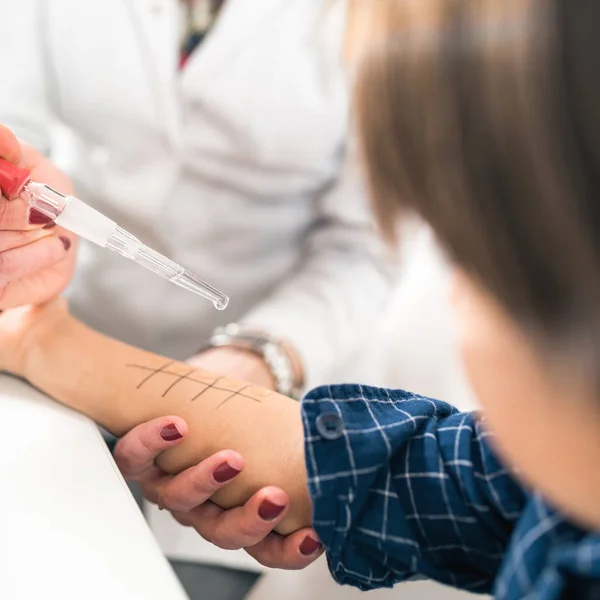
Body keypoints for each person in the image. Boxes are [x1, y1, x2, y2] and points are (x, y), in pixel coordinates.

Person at [3, 0, 600, 597]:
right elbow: (362, 468)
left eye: (475, 268)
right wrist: (24, 254)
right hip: (76, 323)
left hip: (267, 356)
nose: (453, 294)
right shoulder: (511, 487)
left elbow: (362, 251)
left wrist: (261, 356)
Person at [0, 0, 391, 571]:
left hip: (265, 372)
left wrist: (260, 355)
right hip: (61, 334)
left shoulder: (386, 19)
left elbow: (367, 251)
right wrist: (17, 211)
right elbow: (13, 127)